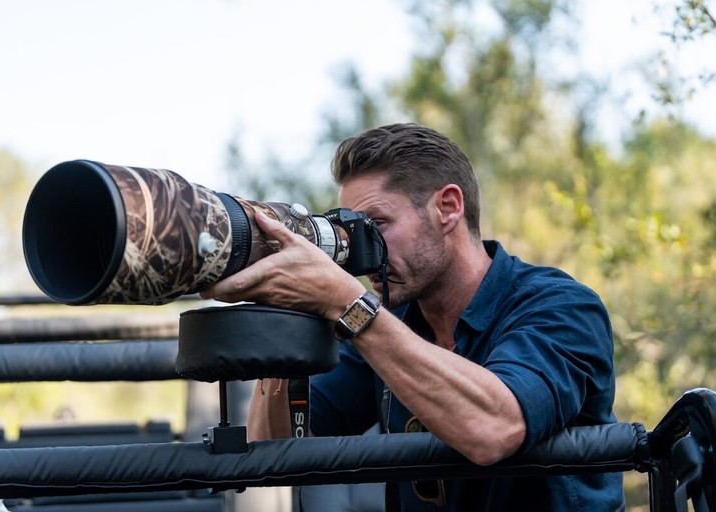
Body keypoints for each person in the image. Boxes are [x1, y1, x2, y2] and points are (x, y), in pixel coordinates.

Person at [200, 123, 624, 511]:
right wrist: (285, 311)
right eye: (353, 232)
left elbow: (494, 429)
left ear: (448, 208)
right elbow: (275, 446)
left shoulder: (561, 306)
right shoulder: (389, 322)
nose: (364, 253)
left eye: (377, 225)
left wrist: (348, 304)